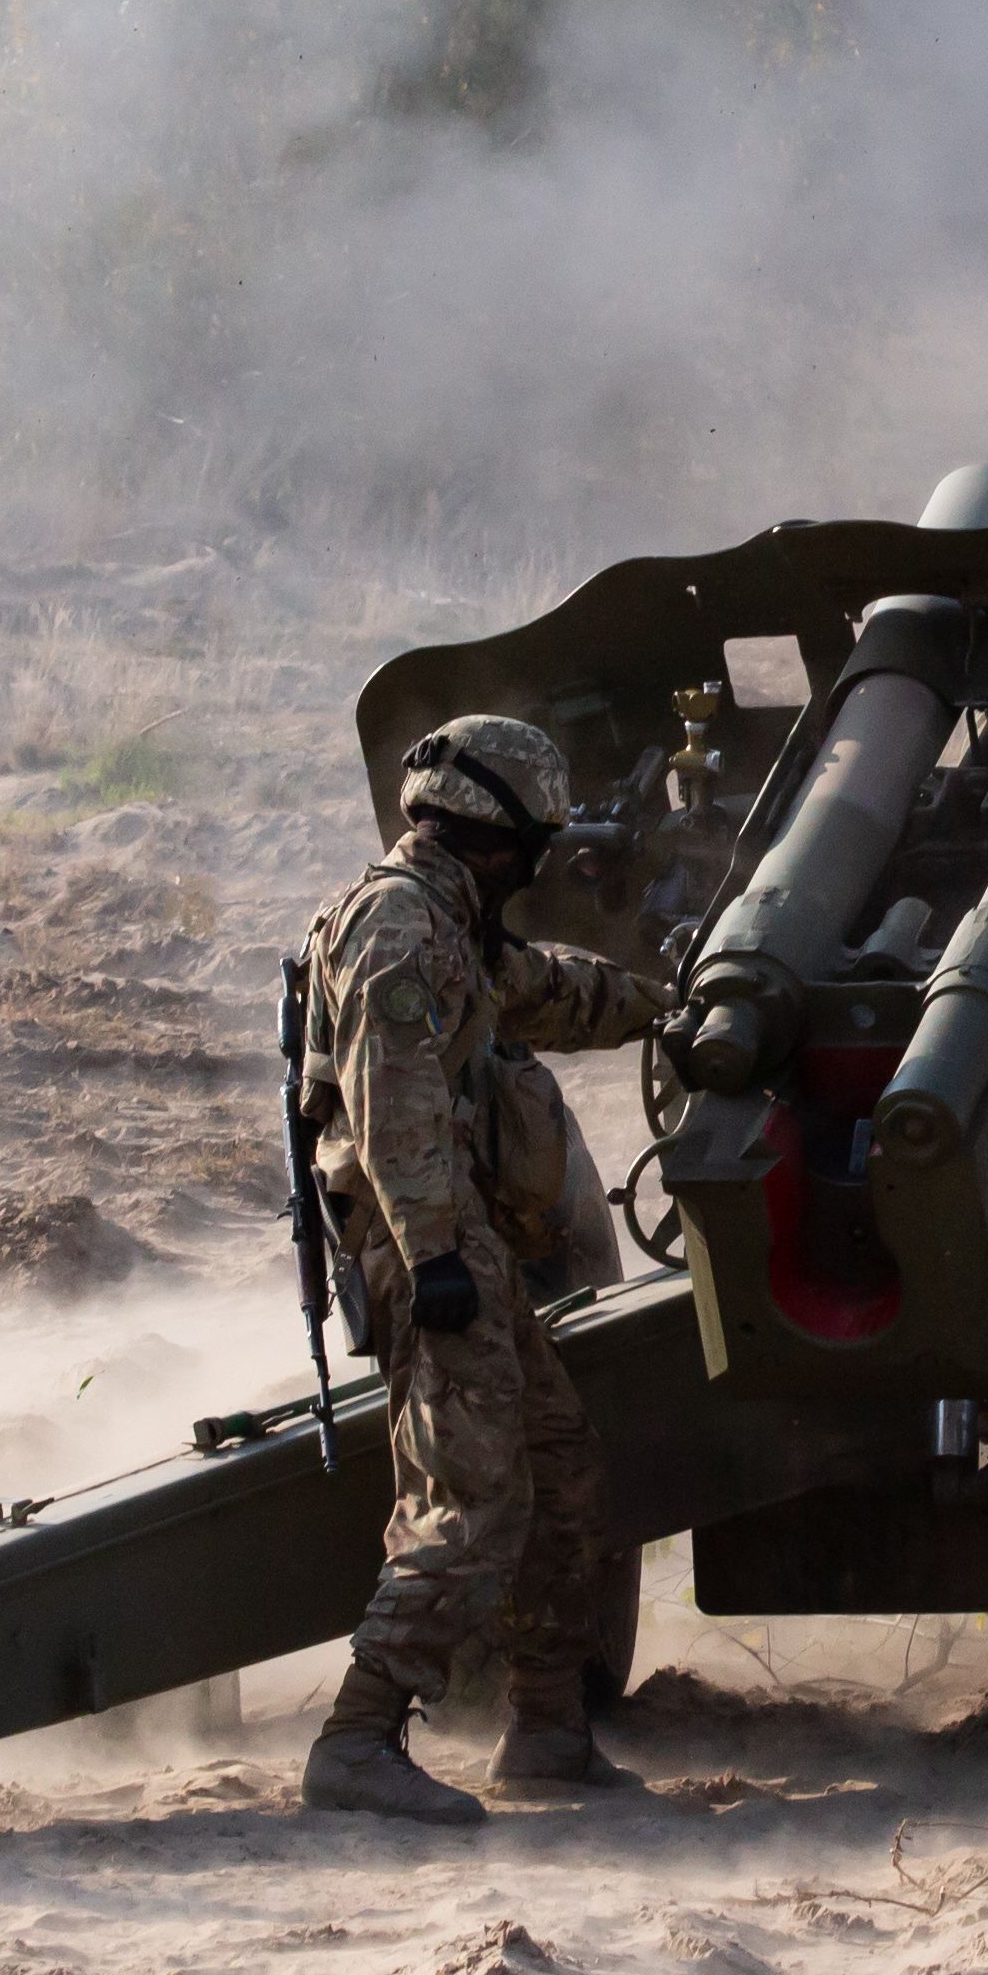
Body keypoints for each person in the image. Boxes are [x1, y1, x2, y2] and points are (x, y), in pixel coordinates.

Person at [294, 715, 666, 1824]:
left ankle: (548, 1728)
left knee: (560, 1469)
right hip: (430, 1254)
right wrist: (438, 1259)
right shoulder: (399, 933)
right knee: (473, 1498)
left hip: (464, 1248)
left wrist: (674, 1005)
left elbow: (545, 989)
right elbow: (392, 1105)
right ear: (497, 844)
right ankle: (356, 1741)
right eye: (537, 845)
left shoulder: (449, 926)